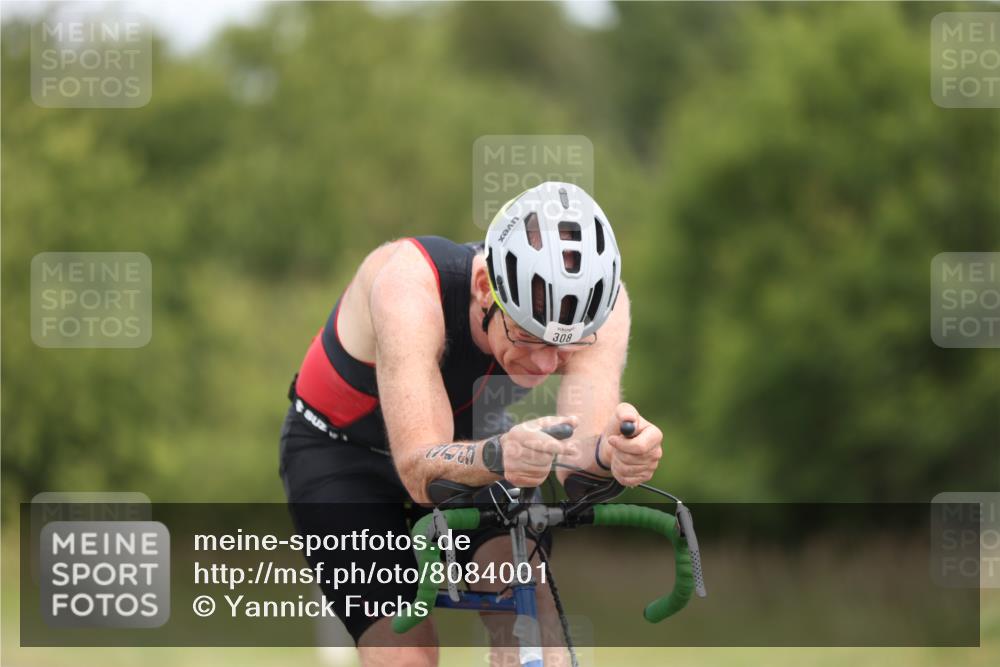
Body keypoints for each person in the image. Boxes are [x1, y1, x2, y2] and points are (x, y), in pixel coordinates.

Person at [279, 181, 665, 667]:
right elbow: (421, 470)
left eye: (565, 346)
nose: (546, 365)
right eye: (527, 336)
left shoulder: (600, 310)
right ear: (486, 289)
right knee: (408, 654)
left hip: (472, 444)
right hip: (340, 454)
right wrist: (501, 454)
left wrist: (616, 455)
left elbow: (579, 458)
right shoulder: (410, 285)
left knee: (534, 632)